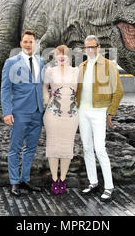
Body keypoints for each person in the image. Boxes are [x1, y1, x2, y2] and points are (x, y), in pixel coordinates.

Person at [76, 35, 124, 202]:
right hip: (83, 112)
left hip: (99, 112)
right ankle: (93, 182)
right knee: (87, 148)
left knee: (100, 149)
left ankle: (109, 187)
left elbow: (118, 91)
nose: (89, 50)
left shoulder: (109, 65)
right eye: (86, 47)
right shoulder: (81, 66)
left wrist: (110, 113)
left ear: (98, 47)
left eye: (92, 47)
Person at [1, 29, 44, 197]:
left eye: (31, 42)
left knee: (31, 148)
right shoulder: (11, 62)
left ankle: (25, 179)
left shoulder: (41, 61)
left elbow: (42, 86)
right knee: (15, 148)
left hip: (37, 112)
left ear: (35, 44)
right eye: (25, 42)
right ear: (21, 43)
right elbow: (5, 89)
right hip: (19, 113)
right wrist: (7, 112)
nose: (28, 45)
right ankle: (14, 182)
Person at [42, 45, 79, 195]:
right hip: (53, 114)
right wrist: (46, 100)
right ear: (55, 57)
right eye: (58, 54)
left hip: (71, 115)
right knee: (53, 147)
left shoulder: (77, 71)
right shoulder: (49, 71)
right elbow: (44, 88)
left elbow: (82, 91)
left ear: (69, 56)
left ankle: (62, 180)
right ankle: (54, 179)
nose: (61, 57)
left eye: (64, 54)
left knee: (66, 147)